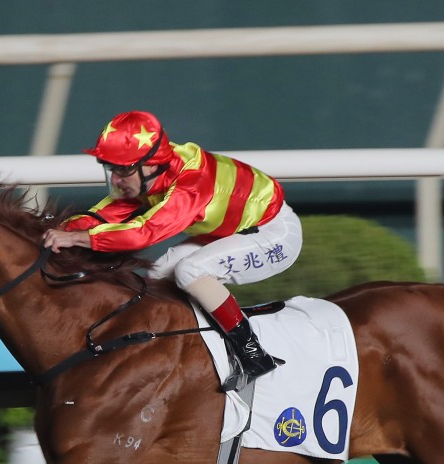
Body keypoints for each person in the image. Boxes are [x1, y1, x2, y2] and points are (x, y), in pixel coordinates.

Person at [41, 110, 302, 391]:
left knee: (190, 271)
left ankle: (253, 355)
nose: (116, 179)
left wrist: (77, 239)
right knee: (155, 278)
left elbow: (144, 232)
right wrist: (61, 229)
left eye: (123, 170)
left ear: (150, 165)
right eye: (110, 168)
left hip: (274, 233)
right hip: (225, 232)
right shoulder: (151, 171)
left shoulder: (190, 184)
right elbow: (107, 215)